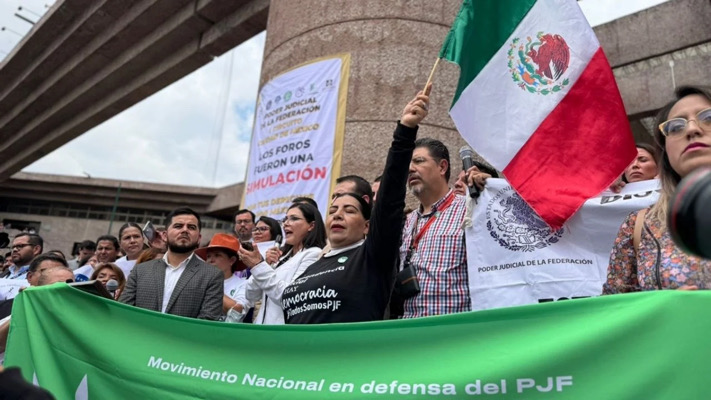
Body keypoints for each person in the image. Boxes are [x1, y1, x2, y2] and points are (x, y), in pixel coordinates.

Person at [268, 86, 429, 324]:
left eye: (349, 210)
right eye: (333, 211)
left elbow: (389, 201)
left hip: (347, 359)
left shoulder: (370, 257)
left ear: (366, 226)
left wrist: (405, 131)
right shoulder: (312, 264)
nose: (338, 215)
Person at [604, 85, 711, 293]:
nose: (691, 129)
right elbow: (612, 309)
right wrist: (661, 311)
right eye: (675, 127)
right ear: (665, 150)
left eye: (708, 117)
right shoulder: (638, 225)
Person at [398, 135, 471, 318]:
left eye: (419, 161)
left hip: (456, 332)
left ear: (442, 167)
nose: (410, 169)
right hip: (411, 330)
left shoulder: (469, 209)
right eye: (408, 164)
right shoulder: (409, 221)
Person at [119, 207, 223, 320]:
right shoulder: (140, 271)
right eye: (178, 226)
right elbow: (123, 311)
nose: (185, 230)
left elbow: (207, 320)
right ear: (164, 235)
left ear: (199, 238)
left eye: (191, 227)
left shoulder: (212, 275)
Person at [235, 203, 326, 324]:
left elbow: (291, 297)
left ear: (311, 225)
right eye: (285, 219)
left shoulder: (313, 254)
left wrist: (258, 265)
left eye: (294, 218)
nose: (286, 223)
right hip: (262, 331)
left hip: (282, 333)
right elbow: (251, 295)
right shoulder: (281, 256)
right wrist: (264, 264)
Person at [194, 233, 248, 313]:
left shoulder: (243, 284)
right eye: (208, 256)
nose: (211, 260)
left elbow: (237, 311)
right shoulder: (198, 281)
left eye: (217, 255)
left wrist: (212, 287)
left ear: (231, 260)